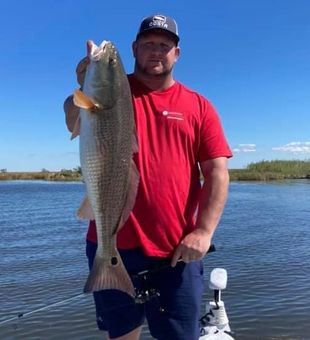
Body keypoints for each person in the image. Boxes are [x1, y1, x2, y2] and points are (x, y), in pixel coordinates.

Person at [64, 13, 232, 340]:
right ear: (135, 49)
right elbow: (74, 121)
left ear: (176, 54)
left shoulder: (200, 106)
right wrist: (85, 83)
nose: (156, 51)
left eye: (164, 45)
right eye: (148, 44)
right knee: (123, 334)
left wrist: (204, 231)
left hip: (177, 251)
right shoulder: (112, 89)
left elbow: (216, 172)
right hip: (113, 246)